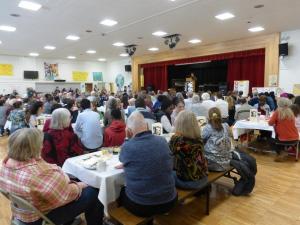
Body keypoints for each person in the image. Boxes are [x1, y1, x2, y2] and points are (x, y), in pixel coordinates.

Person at [0, 128, 104, 225]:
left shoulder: (4, 164)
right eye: (40, 144)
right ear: (33, 148)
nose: (42, 146)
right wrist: (81, 184)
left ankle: (70, 220)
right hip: (41, 218)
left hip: (22, 212)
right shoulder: (39, 174)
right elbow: (66, 195)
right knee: (93, 191)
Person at [118, 112, 177, 217]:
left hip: (142, 205)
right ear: (147, 126)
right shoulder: (162, 141)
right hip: (170, 200)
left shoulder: (128, 147)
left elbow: (122, 159)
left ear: (129, 131)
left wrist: (127, 139)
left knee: (120, 193)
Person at [169, 111, 208, 189]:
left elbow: (168, 155)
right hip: (203, 178)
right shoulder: (199, 139)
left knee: (165, 173)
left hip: (189, 182)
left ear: (179, 124)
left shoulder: (177, 141)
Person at [269, 98, 299, 162]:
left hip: (283, 139)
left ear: (278, 104)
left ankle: (281, 152)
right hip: (295, 138)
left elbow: (270, 123)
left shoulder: (277, 112)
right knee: (281, 135)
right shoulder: (291, 112)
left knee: (271, 139)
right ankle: (285, 150)